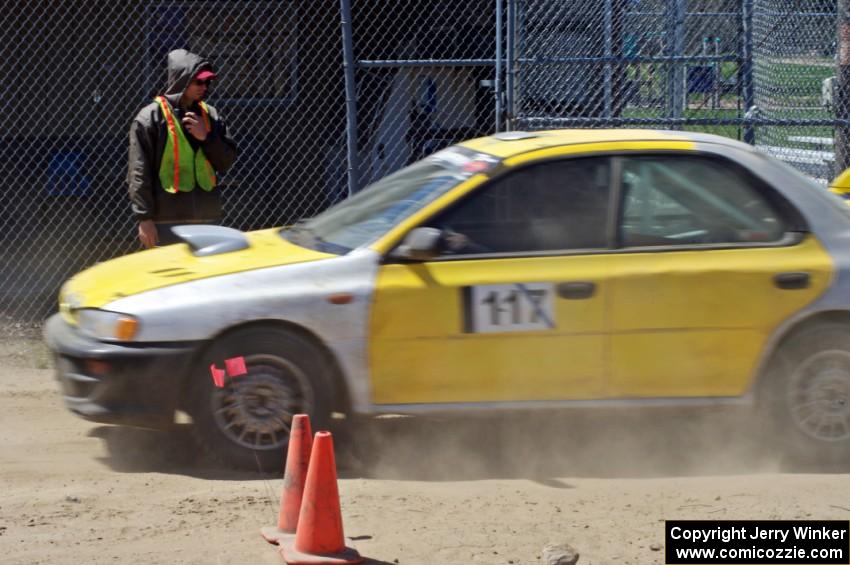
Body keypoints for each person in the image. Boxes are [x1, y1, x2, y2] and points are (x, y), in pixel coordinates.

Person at [127, 49, 238, 248]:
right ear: (182, 80)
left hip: (207, 219)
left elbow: (226, 161)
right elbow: (139, 171)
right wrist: (145, 219)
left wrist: (206, 137)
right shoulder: (150, 118)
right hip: (167, 222)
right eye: (198, 82)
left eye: (207, 82)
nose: (204, 87)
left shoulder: (210, 115)